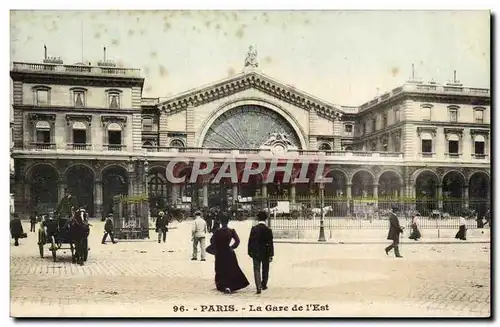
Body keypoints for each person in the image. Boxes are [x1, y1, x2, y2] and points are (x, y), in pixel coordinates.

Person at [209, 213, 249, 293]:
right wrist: (232, 247)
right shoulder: (231, 231)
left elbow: (212, 241)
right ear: (228, 221)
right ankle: (230, 285)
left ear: (220, 221)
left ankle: (222, 285)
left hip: (220, 252)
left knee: (220, 268)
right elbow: (237, 241)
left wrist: (217, 246)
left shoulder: (217, 231)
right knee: (231, 268)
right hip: (228, 252)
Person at [248, 211, 274, 294]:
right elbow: (270, 243)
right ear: (266, 219)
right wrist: (271, 254)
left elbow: (250, 241)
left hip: (256, 252)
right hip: (266, 251)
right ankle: (264, 284)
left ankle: (258, 287)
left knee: (256, 269)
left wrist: (250, 251)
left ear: (258, 218)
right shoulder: (268, 230)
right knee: (265, 269)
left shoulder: (254, 229)